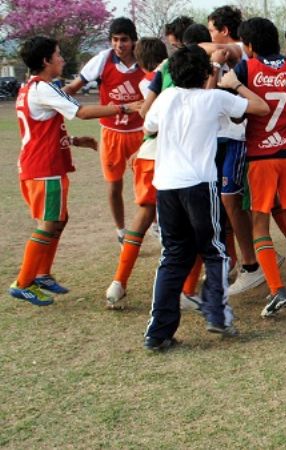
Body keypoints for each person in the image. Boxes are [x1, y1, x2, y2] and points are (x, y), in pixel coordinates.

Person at [142, 45, 269, 351]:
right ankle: (217, 314)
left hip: (167, 186)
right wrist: (234, 85)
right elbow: (261, 108)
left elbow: (149, 125)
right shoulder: (215, 99)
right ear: (206, 72)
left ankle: (158, 332)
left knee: (172, 257)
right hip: (200, 185)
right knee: (214, 251)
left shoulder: (167, 98)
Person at [10, 36, 141, 306]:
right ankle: (23, 283)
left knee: (59, 219)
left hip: (43, 163)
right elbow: (81, 112)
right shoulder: (43, 88)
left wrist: (71, 141)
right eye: (58, 55)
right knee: (48, 223)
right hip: (43, 168)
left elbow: (39, 129)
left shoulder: (31, 88)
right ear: (46, 61)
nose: (62, 59)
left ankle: (43, 274)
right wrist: (125, 107)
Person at [233, 17, 286, 317]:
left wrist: (238, 87)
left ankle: (277, 290)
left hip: (261, 157)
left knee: (259, 224)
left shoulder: (245, 69)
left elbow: (236, 116)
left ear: (250, 45)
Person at [63, 17, 144, 244]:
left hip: (139, 132)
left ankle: (155, 224)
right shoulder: (102, 59)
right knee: (114, 183)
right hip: (111, 133)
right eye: (115, 40)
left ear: (133, 41)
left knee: (147, 184)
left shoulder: (144, 61)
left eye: (124, 40)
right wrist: (53, 95)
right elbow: (74, 86)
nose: (119, 45)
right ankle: (120, 231)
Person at [104, 37, 168, 309]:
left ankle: (118, 282)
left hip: (147, 155)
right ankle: (184, 289)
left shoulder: (147, 83)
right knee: (187, 221)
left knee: (144, 216)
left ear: (140, 62)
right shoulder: (177, 74)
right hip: (173, 156)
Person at [206, 5, 264, 297]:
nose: (209, 37)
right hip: (218, 137)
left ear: (224, 31)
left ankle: (252, 265)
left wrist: (214, 53)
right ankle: (230, 261)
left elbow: (224, 50)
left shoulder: (238, 49)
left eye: (212, 29)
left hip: (238, 137)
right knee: (220, 203)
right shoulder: (216, 53)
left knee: (231, 199)